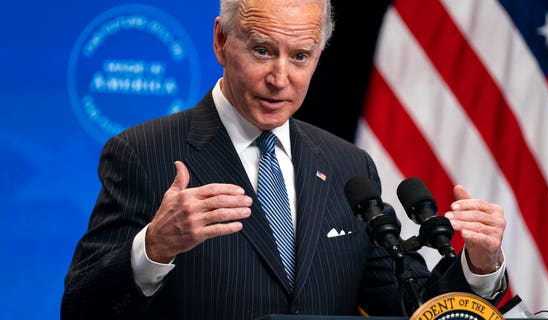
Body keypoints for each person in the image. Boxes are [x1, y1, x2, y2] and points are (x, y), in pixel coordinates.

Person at [61, 0, 508, 319]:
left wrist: (480, 265)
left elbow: (414, 306)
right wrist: (155, 247)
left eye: (300, 56)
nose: (280, 78)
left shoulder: (348, 166)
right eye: (262, 50)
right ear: (221, 40)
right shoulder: (144, 153)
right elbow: (81, 308)